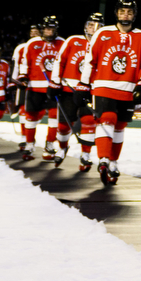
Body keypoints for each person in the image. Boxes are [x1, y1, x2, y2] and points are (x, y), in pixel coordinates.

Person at [83, 0, 141, 184]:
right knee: (107, 119)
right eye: (122, 11)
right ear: (116, 13)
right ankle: (104, 159)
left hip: (128, 88)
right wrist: (83, 84)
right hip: (103, 86)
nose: (126, 15)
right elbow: (90, 59)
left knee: (120, 126)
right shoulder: (103, 33)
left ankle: (113, 162)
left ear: (134, 15)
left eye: (129, 12)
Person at [52, 13, 100, 166]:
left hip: (91, 91)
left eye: (98, 26)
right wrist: (55, 82)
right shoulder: (73, 40)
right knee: (63, 125)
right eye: (91, 25)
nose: (94, 29)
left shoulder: (104, 43)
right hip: (69, 89)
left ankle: (85, 155)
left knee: (88, 122)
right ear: (86, 26)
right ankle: (62, 148)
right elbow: (59, 61)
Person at [17, 16, 64, 161]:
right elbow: (25, 62)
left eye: (52, 29)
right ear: (42, 29)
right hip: (34, 87)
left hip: (54, 87)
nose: (50, 32)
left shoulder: (62, 43)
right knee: (30, 118)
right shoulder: (32, 43)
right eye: (47, 29)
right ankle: (29, 145)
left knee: (54, 118)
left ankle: (49, 144)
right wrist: (23, 75)